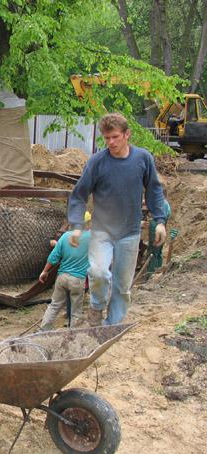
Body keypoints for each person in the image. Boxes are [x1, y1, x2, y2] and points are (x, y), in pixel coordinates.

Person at [68, 112, 167, 325]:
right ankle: (96, 306)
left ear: (127, 134)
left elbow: (154, 190)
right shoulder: (97, 162)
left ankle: (111, 327)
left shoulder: (143, 159)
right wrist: (76, 225)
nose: (111, 142)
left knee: (122, 287)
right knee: (99, 272)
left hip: (129, 233)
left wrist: (159, 220)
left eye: (115, 137)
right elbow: (79, 194)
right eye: (107, 138)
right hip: (102, 231)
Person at [38, 212, 92, 330]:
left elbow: (54, 256)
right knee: (75, 311)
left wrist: (44, 272)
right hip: (78, 280)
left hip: (62, 277)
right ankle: (72, 335)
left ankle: (43, 330)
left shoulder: (65, 236)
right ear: (88, 223)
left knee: (54, 306)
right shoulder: (91, 237)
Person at [147, 197, 172, 274]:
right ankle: (157, 271)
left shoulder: (161, 204)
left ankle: (150, 274)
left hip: (156, 230)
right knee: (158, 253)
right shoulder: (166, 204)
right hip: (162, 229)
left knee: (153, 252)